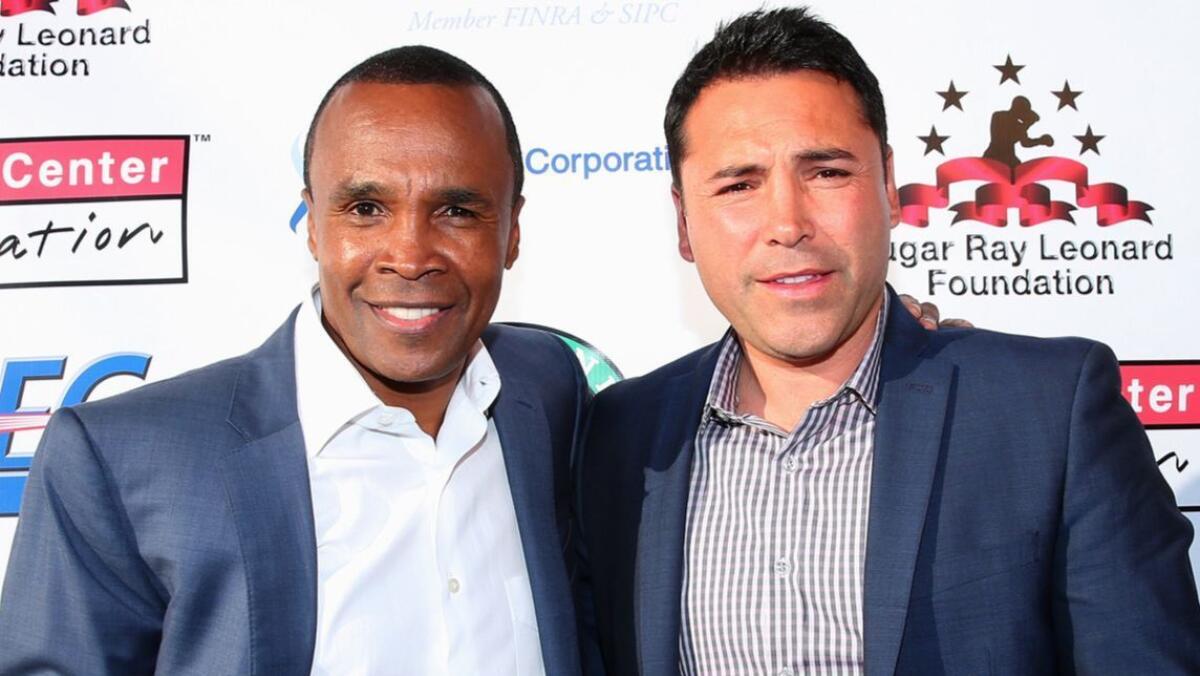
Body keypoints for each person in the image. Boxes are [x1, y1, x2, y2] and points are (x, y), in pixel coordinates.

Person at [576, 7, 1200, 676]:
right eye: (739, 184)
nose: (787, 223)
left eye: (827, 173)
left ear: (890, 188)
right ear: (683, 223)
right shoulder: (621, 437)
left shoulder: (1049, 412)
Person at [0, 46, 588, 675]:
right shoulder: (121, 461)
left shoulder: (545, 386)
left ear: (513, 230)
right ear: (311, 224)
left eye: (458, 211)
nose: (411, 254)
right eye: (366, 209)